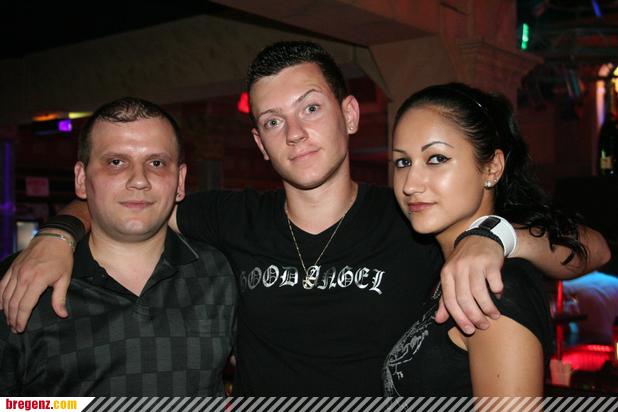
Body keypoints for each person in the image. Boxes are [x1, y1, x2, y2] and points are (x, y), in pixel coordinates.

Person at [1, 42, 610, 395]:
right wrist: (59, 233)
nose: (294, 133)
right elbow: (131, 197)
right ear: (260, 143)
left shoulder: (415, 213)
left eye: (310, 108)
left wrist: (495, 237)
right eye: (273, 121)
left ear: (350, 114)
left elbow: (594, 248)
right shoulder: (228, 217)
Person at [0, 97, 236, 395]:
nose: (139, 180)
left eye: (156, 163)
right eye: (116, 162)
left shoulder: (220, 273)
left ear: (180, 181)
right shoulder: (22, 281)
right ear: (81, 179)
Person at [383, 83, 587, 395]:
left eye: (436, 158)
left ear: (491, 168)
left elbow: (592, 247)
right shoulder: (436, 261)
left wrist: (497, 235)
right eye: (403, 162)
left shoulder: (493, 286)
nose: (410, 184)